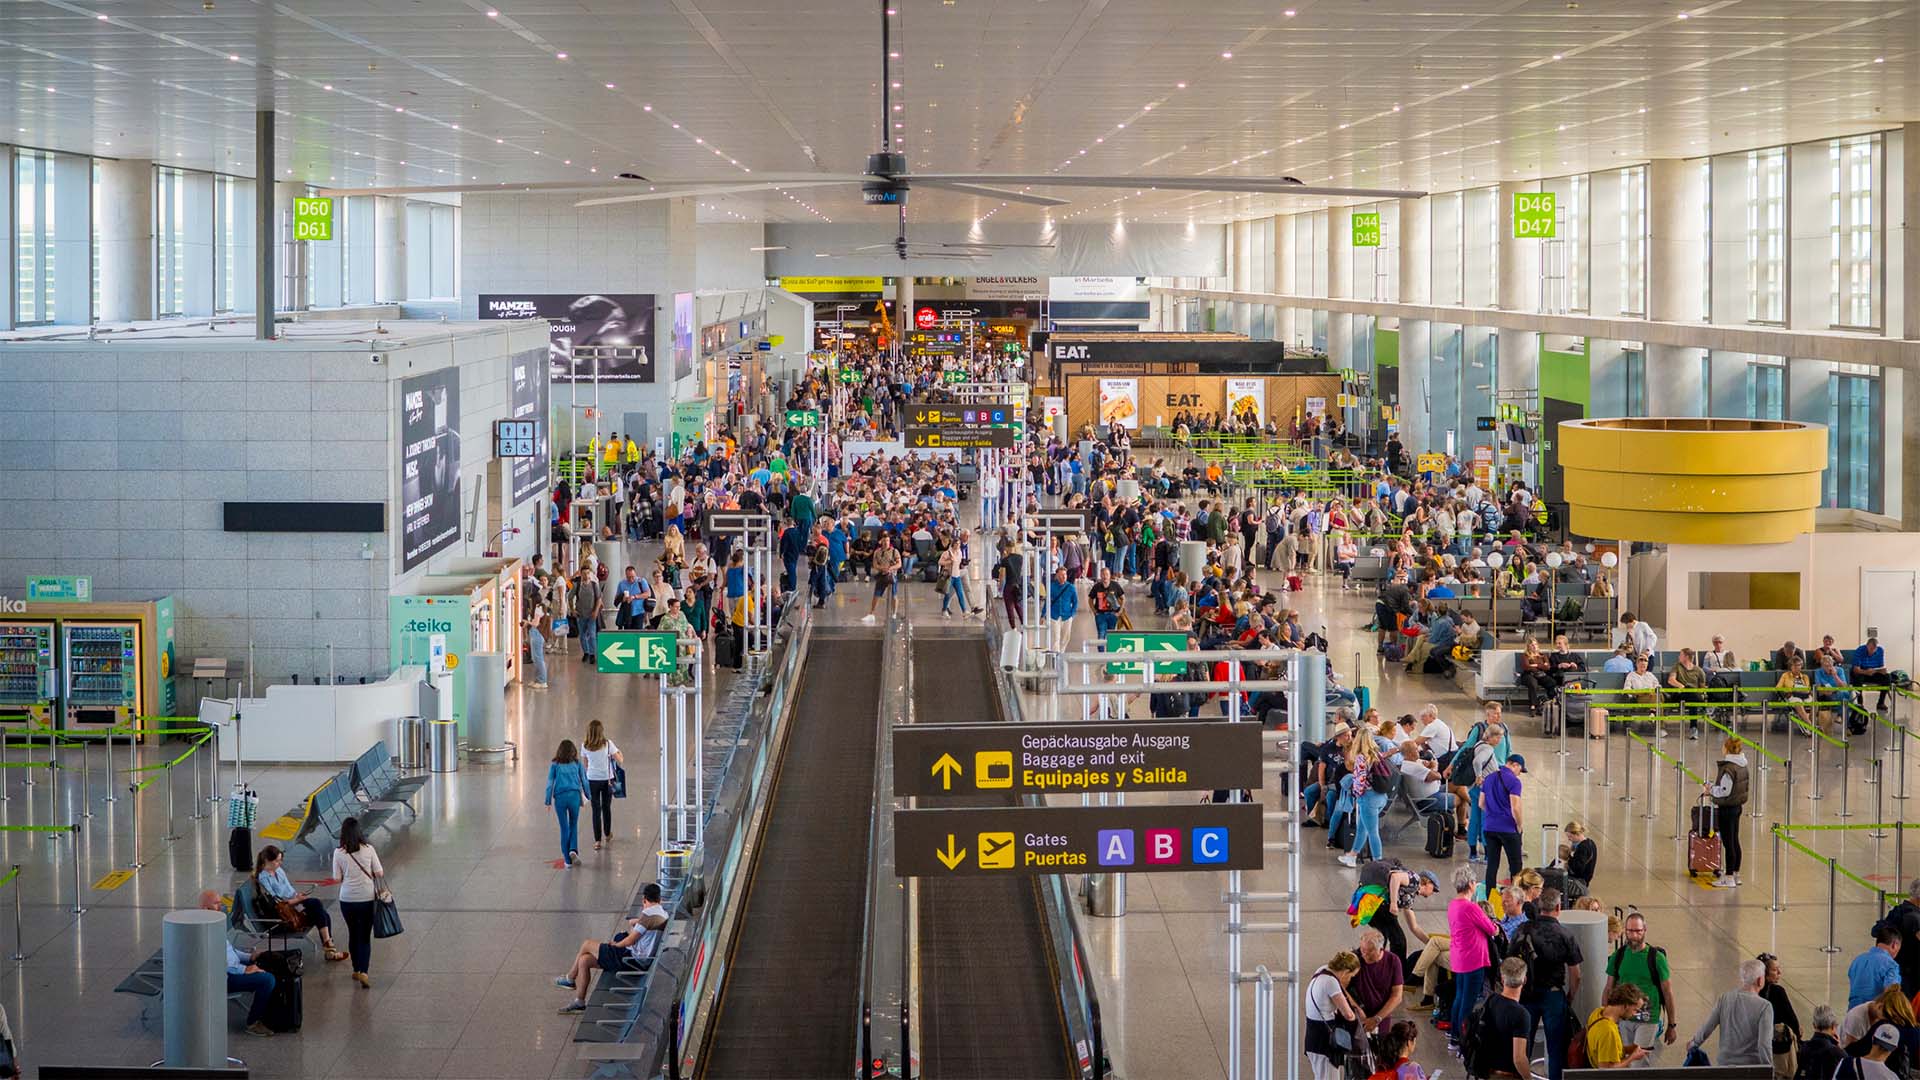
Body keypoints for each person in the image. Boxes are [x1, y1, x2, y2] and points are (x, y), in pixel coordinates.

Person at [556, 883, 670, 1013]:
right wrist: (637, 922)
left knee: (587, 944)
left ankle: (570, 978)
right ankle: (579, 1002)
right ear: (659, 899)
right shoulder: (662, 913)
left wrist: (616, 945)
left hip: (632, 960)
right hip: (639, 958)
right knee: (584, 960)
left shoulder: (648, 915)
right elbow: (648, 925)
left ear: (644, 899)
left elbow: (630, 940)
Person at [1513, 888, 1584, 1080]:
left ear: (1539, 906)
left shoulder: (1523, 930)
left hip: (1526, 994)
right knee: (1556, 1049)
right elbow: (1576, 974)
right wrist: (1570, 996)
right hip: (1553, 995)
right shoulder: (1565, 935)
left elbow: (1510, 962)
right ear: (1558, 908)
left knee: (1522, 1047)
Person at [197, 890, 277, 1037]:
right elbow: (216, 963)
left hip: (233, 969)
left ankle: (271, 1013)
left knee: (273, 962)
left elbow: (229, 950)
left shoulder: (215, 924)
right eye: (216, 903)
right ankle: (253, 1022)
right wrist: (244, 969)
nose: (221, 906)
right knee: (267, 980)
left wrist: (250, 957)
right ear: (205, 909)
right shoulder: (202, 932)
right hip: (224, 977)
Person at [1604, 911, 1679, 1062]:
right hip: (1624, 1017)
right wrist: (1606, 1018)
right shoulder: (1618, 956)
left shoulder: (1656, 958)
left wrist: (1672, 1025)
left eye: (1638, 931)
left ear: (1644, 930)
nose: (1634, 935)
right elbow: (1608, 988)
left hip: (1648, 1017)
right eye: (1630, 931)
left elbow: (1667, 992)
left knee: (1638, 1063)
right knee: (1623, 1058)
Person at [252, 845, 346, 962]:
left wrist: (297, 896)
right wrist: (297, 900)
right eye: (277, 861)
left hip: (294, 902)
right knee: (317, 906)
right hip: (285, 911)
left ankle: (329, 949)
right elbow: (276, 902)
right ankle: (329, 948)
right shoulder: (263, 878)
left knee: (322, 913)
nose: (279, 863)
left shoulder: (279, 871)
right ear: (267, 861)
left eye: (280, 860)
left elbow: (289, 889)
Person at [1447, 864, 1499, 1047]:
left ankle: (1453, 1035)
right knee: (1468, 1003)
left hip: (1458, 957)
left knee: (1459, 997)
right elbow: (1492, 930)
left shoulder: (1453, 905)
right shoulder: (1471, 907)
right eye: (1475, 882)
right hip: (1473, 959)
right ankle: (1463, 1040)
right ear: (1470, 884)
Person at [1687, 958, 1774, 1066]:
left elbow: (1708, 1026)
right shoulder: (1764, 1007)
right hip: (1750, 1068)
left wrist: (1694, 1043)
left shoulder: (1725, 998)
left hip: (1724, 1066)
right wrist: (1768, 1068)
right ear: (1760, 980)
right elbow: (1764, 1045)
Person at [331, 817, 384, 988]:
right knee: (364, 936)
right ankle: (364, 971)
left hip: (347, 900)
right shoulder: (369, 849)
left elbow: (336, 878)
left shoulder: (338, 853)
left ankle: (355, 969)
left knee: (353, 933)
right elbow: (379, 872)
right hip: (366, 899)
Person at [1475, 957, 1536, 1080]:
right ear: (1524, 980)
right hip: (1508, 1075)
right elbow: (1518, 1059)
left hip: (1488, 1072)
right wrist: (1528, 1078)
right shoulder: (1521, 1014)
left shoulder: (1491, 1000)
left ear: (1503, 980)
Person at [1305, 950, 1362, 1080]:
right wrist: (1356, 1018)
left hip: (1313, 1036)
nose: (1350, 979)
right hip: (1325, 1039)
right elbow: (1348, 1015)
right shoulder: (1331, 982)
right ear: (1346, 971)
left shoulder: (1322, 970)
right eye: (1351, 976)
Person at [1703, 735, 1750, 889]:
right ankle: (1736, 873)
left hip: (1727, 809)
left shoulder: (1729, 768)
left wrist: (1710, 790)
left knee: (1728, 843)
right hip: (1737, 807)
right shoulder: (1742, 765)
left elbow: (1724, 791)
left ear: (1727, 748)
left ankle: (1729, 877)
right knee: (1735, 841)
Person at [1481, 754, 1527, 892]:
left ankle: (1490, 900)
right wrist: (1519, 825)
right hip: (1508, 829)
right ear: (1515, 765)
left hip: (1489, 827)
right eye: (1520, 770)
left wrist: (1493, 814)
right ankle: (1515, 899)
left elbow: (1481, 803)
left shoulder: (1488, 778)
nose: (1519, 774)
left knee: (1492, 865)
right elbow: (1515, 807)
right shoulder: (1514, 782)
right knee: (1516, 866)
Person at [1350, 927, 1404, 1034]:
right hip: (1358, 1015)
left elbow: (1397, 995)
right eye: (1362, 949)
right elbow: (1342, 985)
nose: (1364, 954)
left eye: (1369, 951)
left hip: (1382, 1015)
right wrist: (1357, 1009)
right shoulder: (1355, 958)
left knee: (1380, 1046)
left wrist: (1377, 1018)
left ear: (1380, 949)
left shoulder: (1393, 961)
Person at [1584, 983, 1653, 1068]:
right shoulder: (1608, 1031)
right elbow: (1606, 1070)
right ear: (1625, 1005)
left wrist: (1629, 1049)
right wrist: (1632, 1057)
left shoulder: (1598, 1012)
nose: (1635, 1014)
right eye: (1635, 1010)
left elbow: (1604, 1049)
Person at [581, 720, 624, 851]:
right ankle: (607, 833)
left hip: (592, 780)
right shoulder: (607, 744)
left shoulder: (584, 746)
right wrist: (620, 752)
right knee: (606, 807)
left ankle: (597, 841)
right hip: (607, 780)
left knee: (595, 810)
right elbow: (620, 760)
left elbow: (585, 764)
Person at [544, 739, 588, 868]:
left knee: (564, 828)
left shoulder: (555, 765)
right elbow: (584, 780)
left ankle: (567, 861)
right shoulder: (577, 763)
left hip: (560, 798)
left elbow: (550, 783)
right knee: (573, 824)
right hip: (574, 796)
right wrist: (588, 795)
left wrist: (547, 801)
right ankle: (573, 850)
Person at [1757, 952, 1801, 1079]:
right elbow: (1792, 1020)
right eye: (1775, 970)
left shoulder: (1752, 992)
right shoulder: (1778, 992)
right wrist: (1797, 1036)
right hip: (1778, 1048)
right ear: (1764, 973)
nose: (1779, 973)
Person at [1850, 926, 1905, 1009]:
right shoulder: (1891, 965)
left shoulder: (1858, 960)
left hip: (1853, 1013)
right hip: (1874, 1014)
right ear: (1894, 945)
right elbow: (1891, 995)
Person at [1797, 1005, 1845, 1080]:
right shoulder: (1837, 1053)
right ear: (1833, 1026)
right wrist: (1840, 1048)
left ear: (1814, 1025)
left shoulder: (1803, 1048)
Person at [864, 535, 901, 622]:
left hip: (891, 575)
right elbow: (875, 564)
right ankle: (871, 614)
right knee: (876, 595)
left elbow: (899, 564)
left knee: (893, 595)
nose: (885, 543)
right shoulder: (877, 552)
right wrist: (881, 568)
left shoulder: (894, 551)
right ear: (881, 542)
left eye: (887, 541)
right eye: (884, 541)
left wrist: (890, 568)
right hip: (881, 575)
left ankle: (894, 614)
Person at [1854, 636, 1894, 712]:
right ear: (1867, 646)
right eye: (1870, 649)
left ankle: (1881, 702)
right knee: (1857, 677)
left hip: (1874, 672)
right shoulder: (1860, 650)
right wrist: (1866, 672)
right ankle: (1860, 702)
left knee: (1887, 677)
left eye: (1874, 650)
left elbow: (1881, 666)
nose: (1872, 651)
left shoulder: (1880, 650)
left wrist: (1881, 671)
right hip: (1862, 672)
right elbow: (1856, 670)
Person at [1088, 566, 1125, 639]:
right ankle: (1101, 650)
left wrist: (1119, 612)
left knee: (1111, 636)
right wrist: (1094, 611)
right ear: (1100, 576)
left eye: (1107, 574)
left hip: (1112, 615)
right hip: (1100, 615)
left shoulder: (1115, 585)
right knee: (1101, 634)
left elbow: (1123, 598)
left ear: (1110, 575)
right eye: (1103, 574)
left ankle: (1110, 650)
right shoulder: (1096, 587)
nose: (1105, 576)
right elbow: (1090, 599)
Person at [523, 591, 549, 690]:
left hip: (537, 633)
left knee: (538, 658)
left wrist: (527, 622)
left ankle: (542, 681)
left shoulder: (538, 608)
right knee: (536, 657)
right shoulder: (541, 607)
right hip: (538, 634)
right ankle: (538, 679)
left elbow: (536, 623)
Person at [1563, 819, 1597, 891]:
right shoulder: (1590, 842)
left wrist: (1568, 857)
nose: (1569, 839)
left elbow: (1577, 869)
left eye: (1570, 836)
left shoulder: (1583, 848)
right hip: (1585, 879)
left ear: (1577, 834)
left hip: (1579, 881)